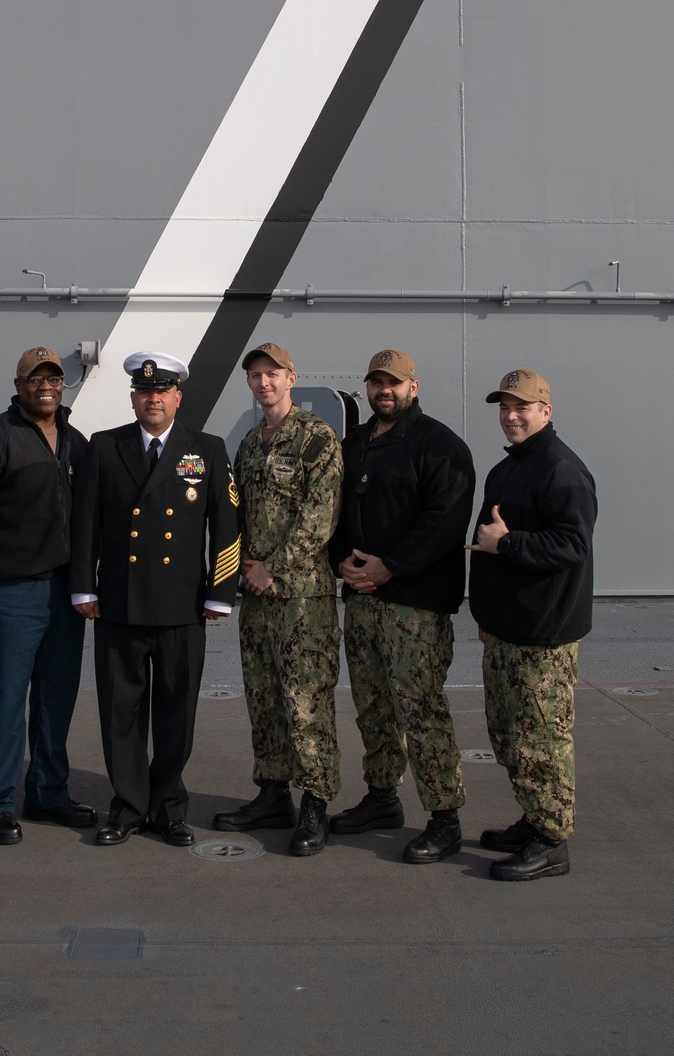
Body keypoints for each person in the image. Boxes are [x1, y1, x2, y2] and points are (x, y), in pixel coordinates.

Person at [70, 351, 240, 847]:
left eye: (162, 391)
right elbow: (87, 525)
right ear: (133, 398)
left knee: (176, 713)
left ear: (177, 397)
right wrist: (85, 585)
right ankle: (126, 807)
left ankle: (167, 807)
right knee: (120, 712)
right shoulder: (105, 447)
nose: (153, 399)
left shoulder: (205, 448)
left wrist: (220, 592)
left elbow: (225, 526)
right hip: (119, 604)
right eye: (145, 392)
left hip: (182, 606)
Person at [328, 348, 476, 864]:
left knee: (421, 711)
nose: (383, 391)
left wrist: (389, 566)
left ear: (414, 387)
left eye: (393, 382)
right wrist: (341, 564)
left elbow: (446, 520)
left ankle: (444, 817)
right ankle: (382, 797)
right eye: (375, 382)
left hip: (414, 606)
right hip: (363, 602)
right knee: (373, 707)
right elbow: (336, 511)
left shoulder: (440, 445)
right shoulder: (357, 443)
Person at [0, 346, 95, 844]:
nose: (46, 386)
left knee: (56, 700)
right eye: (36, 379)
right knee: (3, 702)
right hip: (8, 596)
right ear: (18, 385)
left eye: (53, 378)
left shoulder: (76, 443)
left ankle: (49, 794)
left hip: (64, 596)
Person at [212, 342, 343, 858]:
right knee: (264, 697)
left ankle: (315, 803)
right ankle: (272, 793)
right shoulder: (249, 444)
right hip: (257, 596)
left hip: (301, 598)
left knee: (306, 700)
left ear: (292, 378)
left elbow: (320, 516)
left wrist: (274, 567)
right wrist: (240, 568)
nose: (264, 383)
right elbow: (237, 515)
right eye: (256, 376)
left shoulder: (316, 439)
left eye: (273, 374)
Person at [468, 368, 596, 881]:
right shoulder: (510, 468)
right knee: (509, 734)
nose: (511, 416)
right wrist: (487, 614)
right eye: (504, 407)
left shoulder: (561, 470)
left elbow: (572, 544)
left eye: (521, 407)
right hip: (507, 628)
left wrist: (509, 544)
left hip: (543, 636)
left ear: (546, 410)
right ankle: (533, 817)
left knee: (541, 740)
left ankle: (551, 842)